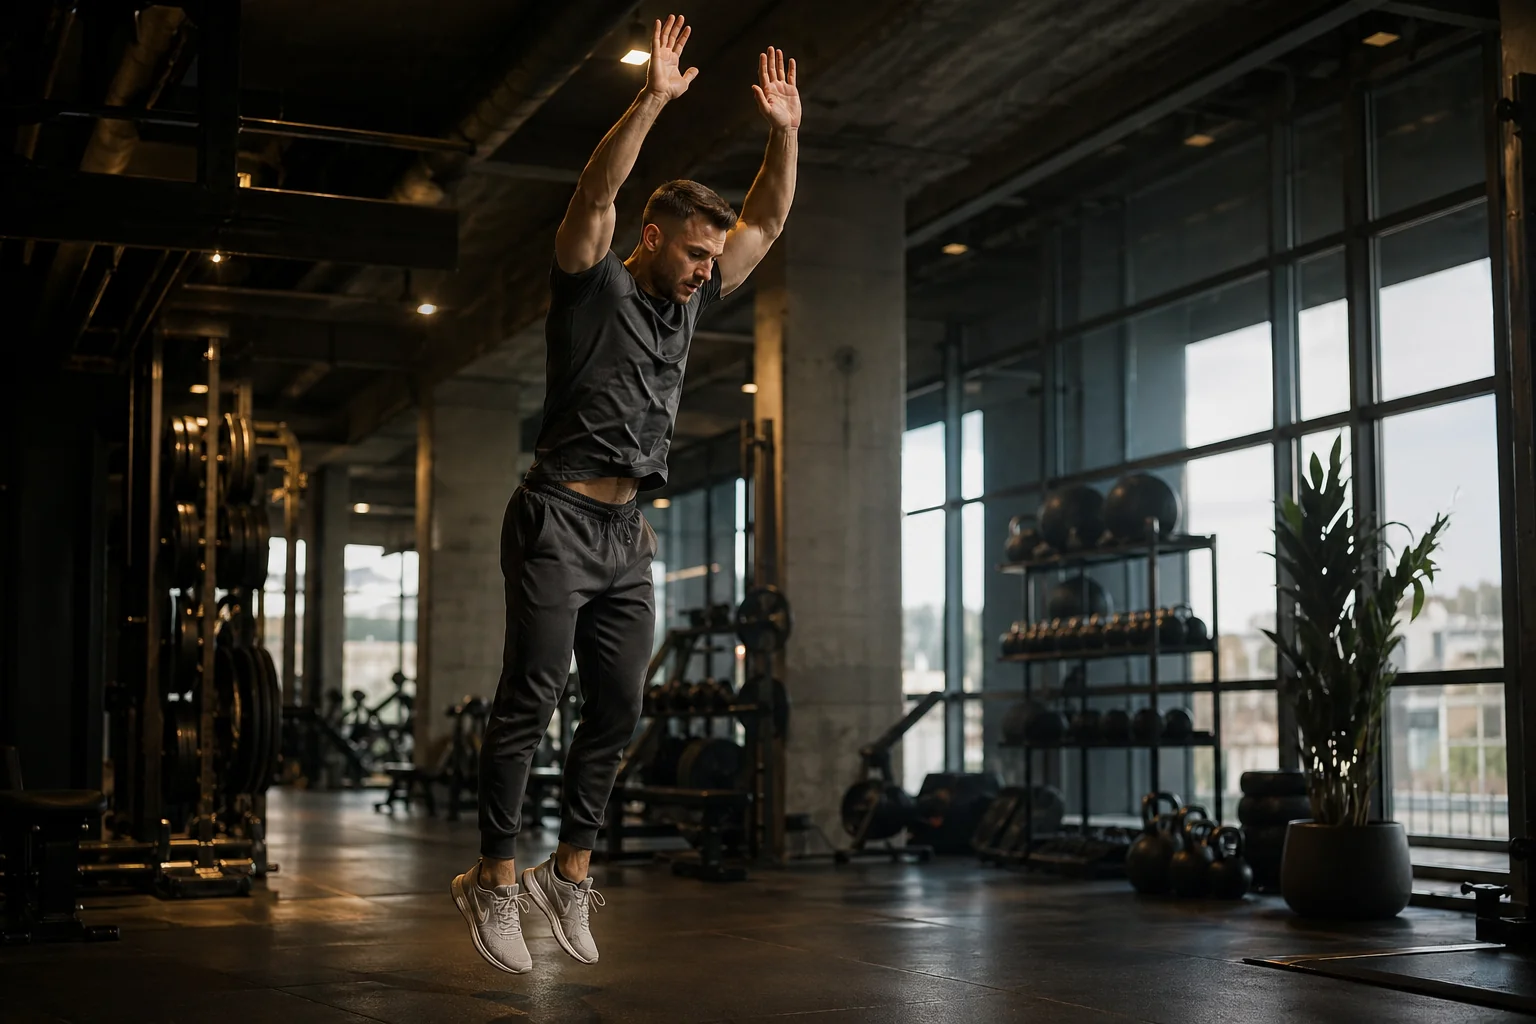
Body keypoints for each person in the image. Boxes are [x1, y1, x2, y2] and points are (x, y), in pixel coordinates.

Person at [452, 15, 800, 974]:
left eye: (709, 258)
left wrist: (786, 133)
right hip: (556, 516)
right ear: (653, 238)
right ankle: (492, 878)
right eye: (693, 254)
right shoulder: (591, 284)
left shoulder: (690, 303)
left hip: (624, 532)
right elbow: (595, 192)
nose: (705, 270)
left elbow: (768, 223)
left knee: (617, 707)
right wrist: (651, 98)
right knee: (531, 698)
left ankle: (568, 871)